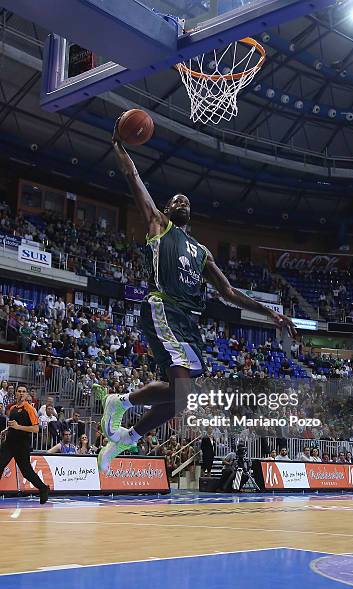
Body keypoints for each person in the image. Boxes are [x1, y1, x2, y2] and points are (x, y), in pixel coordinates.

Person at [93, 119, 297, 472]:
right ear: (169, 210)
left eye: (186, 199)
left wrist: (273, 315)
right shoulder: (160, 225)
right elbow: (135, 181)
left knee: (182, 400)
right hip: (163, 308)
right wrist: (120, 147)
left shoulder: (202, 252)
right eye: (176, 199)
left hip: (189, 323)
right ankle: (122, 405)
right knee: (182, 392)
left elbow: (230, 292)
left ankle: (125, 430)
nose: (181, 200)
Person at [0, 384, 49, 503]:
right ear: (16, 393)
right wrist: (6, 430)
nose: (21, 393)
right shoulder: (12, 408)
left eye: (24, 391)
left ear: (26, 394)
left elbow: (36, 429)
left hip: (22, 445)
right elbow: (13, 425)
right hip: (9, 443)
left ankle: (43, 488)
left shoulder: (30, 409)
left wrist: (18, 427)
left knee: (27, 472)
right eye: (19, 391)